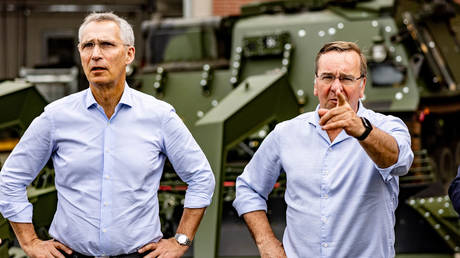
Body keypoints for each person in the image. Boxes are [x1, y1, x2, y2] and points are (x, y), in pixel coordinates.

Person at [0, 12, 215, 258]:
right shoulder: (56, 117)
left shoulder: (159, 116)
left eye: (107, 45)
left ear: (129, 54)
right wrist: (30, 243)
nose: (96, 54)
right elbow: (11, 178)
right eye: (88, 45)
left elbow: (201, 178)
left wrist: (181, 241)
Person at [233, 41, 414, 258]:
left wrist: (361, 130)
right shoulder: (286, 133)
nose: (336, 88)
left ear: (362, 86)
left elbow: (400, 161)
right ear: (315, 84)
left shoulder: (386, 127)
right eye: (328, 77)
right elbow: (248, 188)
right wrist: (266, 243)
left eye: (346, 78)